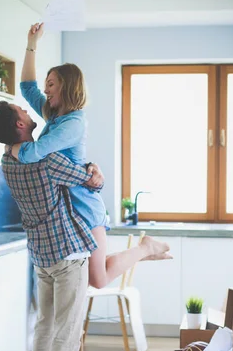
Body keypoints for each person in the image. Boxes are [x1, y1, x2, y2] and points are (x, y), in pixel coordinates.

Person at [9, 22, 172, 289]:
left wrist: (11, 149)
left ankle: (144, 248)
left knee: (97, 279)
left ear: (67, 86)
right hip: (69, 210)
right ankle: (142, 251)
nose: (46, 90)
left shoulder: (73, 122)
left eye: (51, 84)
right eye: (47, 84)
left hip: (84, 206)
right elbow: (27, 87)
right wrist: (32, 44)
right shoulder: (54, 116)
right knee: (91, 273)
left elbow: (35, 153)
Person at [0, 100, 104, 351]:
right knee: (67, 330)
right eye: (21, 110)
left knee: (44, 326)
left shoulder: (5, 161)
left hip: (41, 253)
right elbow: (89, 181)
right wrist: (96, 169)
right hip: (67, 251)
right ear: (20, 125)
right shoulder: (47, 161)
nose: (27, 109)